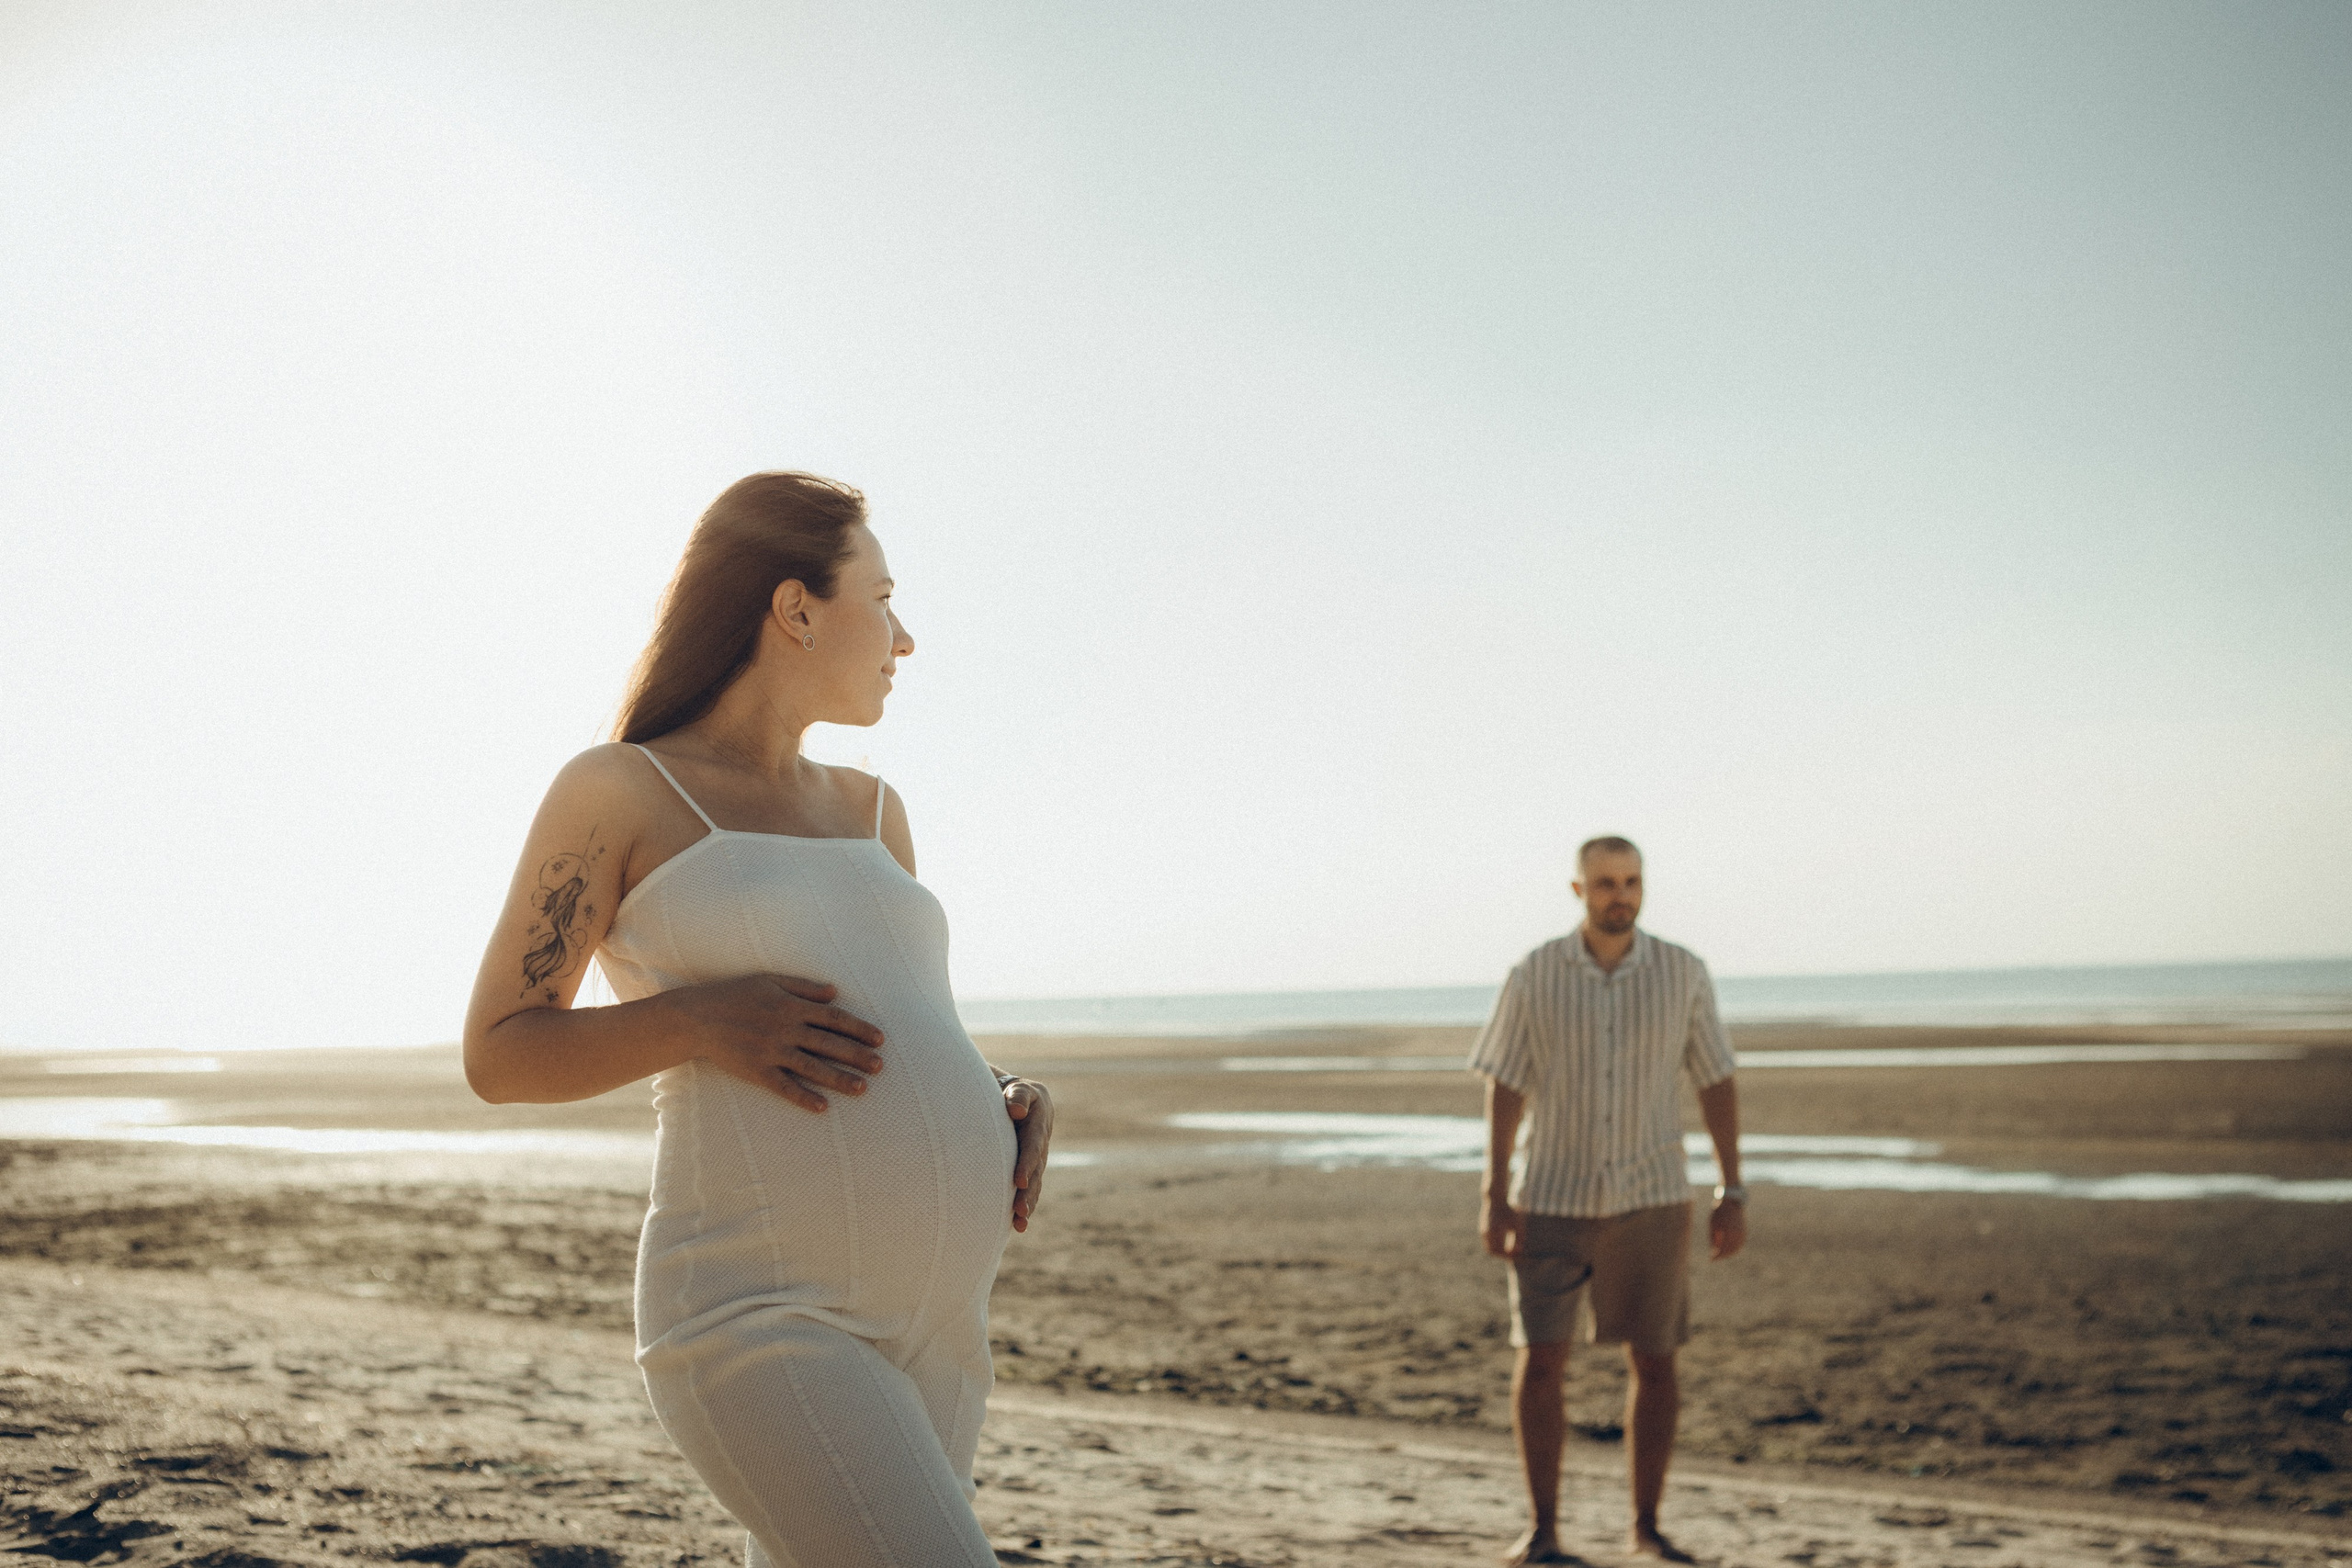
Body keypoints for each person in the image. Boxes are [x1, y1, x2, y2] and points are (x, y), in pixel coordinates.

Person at [461, 471, 1054, 1567]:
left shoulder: (878, 809)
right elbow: (501, 1052)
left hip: (940, 1321)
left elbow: (897, 1019)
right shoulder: (622, 790)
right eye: (883, 597)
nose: (905, 637)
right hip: (761, 1316)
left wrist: (995, 1096)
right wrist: (698, 1020)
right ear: (795, 608)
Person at [1470, 836, 1745, 1565]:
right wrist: (1495, 1194)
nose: (1619, 895)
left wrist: (1732, 1186)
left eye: (1630, 881)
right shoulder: (1534, 974)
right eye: (1604, 883)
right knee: (1541, 1359)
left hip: (1652, 1198)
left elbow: (1714, 1077)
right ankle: (1544, 1530)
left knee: (1656, 1361)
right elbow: (1504, 1083)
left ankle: (1646, 1527)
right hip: (1550, 1198)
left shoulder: (1683, 972)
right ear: (1578, 890)